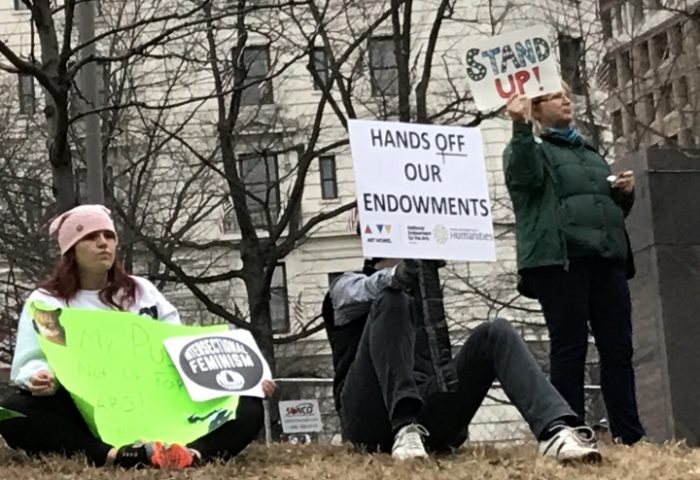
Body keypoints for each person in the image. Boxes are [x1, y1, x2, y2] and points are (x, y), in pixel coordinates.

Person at [0, 205, 275, 468]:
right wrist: (39, 377)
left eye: (109, 236)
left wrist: (244, 380)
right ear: (71, 250)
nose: (103, 243)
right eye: (91, 237)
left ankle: (192, 454)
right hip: (84, 410)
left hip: (158, 401)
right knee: (13, 411)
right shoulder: (48, 302)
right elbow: (32, 359)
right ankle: (114, 455)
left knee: (247, 405)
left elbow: (180, 346)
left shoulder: (141, 292)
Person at [322, 256, 602, 462]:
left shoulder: (427, 292)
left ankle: (555, 430)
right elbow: (363, 289)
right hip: (368, 418)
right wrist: (398, 276)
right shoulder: (347, 284)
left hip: (430, 416)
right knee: (391, 297)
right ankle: (403, 425)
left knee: (495, 332)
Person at [502, 86, 645, 445]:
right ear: (535, 109)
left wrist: (623, 196)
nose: (566, 100)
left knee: (618, 347)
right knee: (570, 345)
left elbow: (603, 209)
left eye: (566, 95)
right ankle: (568, 430)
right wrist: (518, 128)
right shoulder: (529, 149)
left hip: (605, 259)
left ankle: (628, 433)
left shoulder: (590, 153)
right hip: (560, 260)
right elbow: (523, 181)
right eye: (554, 96)